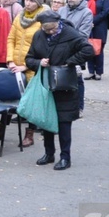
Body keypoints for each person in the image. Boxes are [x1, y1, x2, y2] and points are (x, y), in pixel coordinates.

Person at [25, 11, 93, 170]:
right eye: (47, 30)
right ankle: (49, 154)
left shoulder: (70, 34)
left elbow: (88, 50)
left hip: (65, 84)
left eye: (53, 29)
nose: (51, 32)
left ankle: (65, 157)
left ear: (58, 23)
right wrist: (39, 62)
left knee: (64, 122)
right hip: (45, 84)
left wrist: (69, 62)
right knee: (46, 120)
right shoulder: (38, 35)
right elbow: (29, 58)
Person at [0, 0, 46, 146]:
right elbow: (11, 38)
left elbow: (44, 47)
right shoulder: (20, 17)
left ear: (39, 3)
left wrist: (26, 65)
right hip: (15, 65)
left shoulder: (43, 19)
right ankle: (1, 127)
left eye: (32, 1)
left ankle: (30, 133)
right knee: (9, 98)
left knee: (31, 101)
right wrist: (10, 60)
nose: (28, 3)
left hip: (32, 67)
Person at [84, 0, 109, 81]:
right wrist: (88, 22)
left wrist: (93, 21)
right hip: (87, 26)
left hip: (100, 26)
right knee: (89, 48)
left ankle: (98, 71)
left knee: (98, 50)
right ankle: (91, 71)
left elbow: (104, 12)